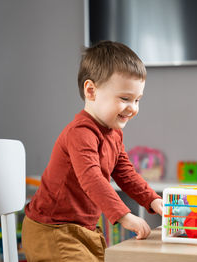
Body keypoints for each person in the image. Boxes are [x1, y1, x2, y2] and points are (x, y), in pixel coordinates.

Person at [22, 41, 163, 262]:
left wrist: (153, 200)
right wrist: (124, 215)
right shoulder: (81, 132)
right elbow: (92, 178)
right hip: (52, 229)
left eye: (137, 100)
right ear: (91, 91)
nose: (133, 108)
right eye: (125, 98)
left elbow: (125, 173)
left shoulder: (114, 133)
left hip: (83, 228)